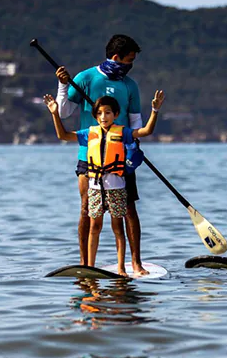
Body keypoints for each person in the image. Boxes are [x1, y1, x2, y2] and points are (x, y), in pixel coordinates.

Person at [54, 35, 148, 274]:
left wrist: (134, 149)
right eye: (129, 60)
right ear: (116, 58)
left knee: (128, 210)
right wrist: (63, 85)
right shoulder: (85, 78)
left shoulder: (130, 85)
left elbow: (137, 122)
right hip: (90, 157)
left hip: (121, 158)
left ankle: (135, 263)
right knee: (87, 209)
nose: (131, 65)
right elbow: (64, 112)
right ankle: (86, 264)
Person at [43, 92, 165, 276]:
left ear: (115, 115)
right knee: (94, 227)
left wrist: (155, 110)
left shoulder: (122, 132)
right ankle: (90, 267)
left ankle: (121, 268)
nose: (103, 117)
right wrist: (54, 113)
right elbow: (63, 135)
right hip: (95, 187)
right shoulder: (89, 133)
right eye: (100, 113)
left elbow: (145, 131)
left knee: (117, 227)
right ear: (95, 116)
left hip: (116, 187)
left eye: (108, 113)